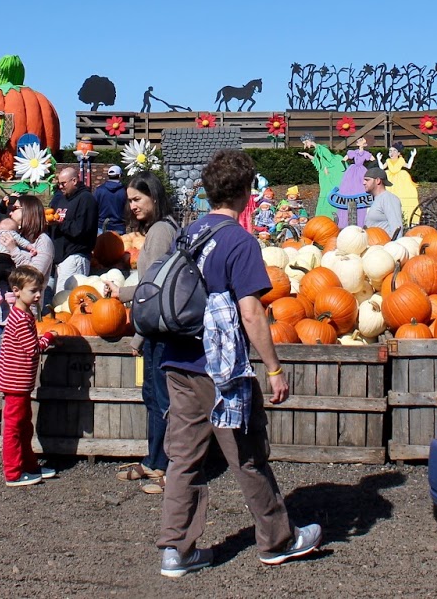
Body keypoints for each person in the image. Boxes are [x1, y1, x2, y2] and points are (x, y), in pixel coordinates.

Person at [157, 149, 321, 578]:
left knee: (184, 459)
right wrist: (273, 368)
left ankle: (176, 550)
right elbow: (251, 313)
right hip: (222, 368)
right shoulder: (239, 242)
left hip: (179, 360)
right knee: (247, 455)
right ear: (247, 194)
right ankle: (277, 540)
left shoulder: (187, 234)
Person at [117, 172, 180, 496]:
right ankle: (154, 459)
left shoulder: (159, 231)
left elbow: (152, 289)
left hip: (159, 330)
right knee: (153, 395)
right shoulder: (165, 227)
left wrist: (120, 295)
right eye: (130, 200)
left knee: (159, 398)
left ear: (153, 197)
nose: (133, 206)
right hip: (156, 327)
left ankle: (165, 466)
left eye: (137, 199)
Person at [0, 264, 58, 487]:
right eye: (33, 291)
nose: (38, 294)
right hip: (15, 383)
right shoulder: (20, 318)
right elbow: (32, 348)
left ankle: (29, 464)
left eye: (39, 289)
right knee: (13, 428)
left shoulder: (25, 313)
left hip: (21, 382)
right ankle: (13, 472)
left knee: (24, 426)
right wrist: (48, 337)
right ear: (17, 290)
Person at [48, 166, 98, 292]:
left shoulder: (86, 199)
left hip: (75, 256)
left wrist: (60, 223)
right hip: (60, 258)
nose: (60, 187)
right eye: (59, 184)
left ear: (74, 181)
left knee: (65, 300)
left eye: (63, 183)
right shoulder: (62, 199)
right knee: (57, 300)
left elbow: (81, 229)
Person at [363, 165, 405, 237]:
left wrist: (393, 246)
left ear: (378, 181)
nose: (363, 182)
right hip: (375, 245)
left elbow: (397, 228)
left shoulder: (388, 198)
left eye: (367, 180)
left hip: (384, 245)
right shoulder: (377, 199)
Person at [94, 165, 127, 233]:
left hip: (101, 227)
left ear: (108, 175)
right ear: (120, 175)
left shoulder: (99, 190)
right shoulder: (125, 191)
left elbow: (93, 208)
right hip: (119, 227)